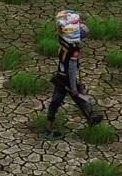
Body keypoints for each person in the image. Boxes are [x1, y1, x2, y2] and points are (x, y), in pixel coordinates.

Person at [44, 9, 104, 137]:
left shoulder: (62, 41)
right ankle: (49, 128)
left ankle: (90, 117)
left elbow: (60, 29)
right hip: (65, 79)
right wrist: (73, 87)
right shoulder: (74, 50)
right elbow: (71, 69)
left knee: (61, 101)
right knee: (65, 100)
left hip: (60, 75)